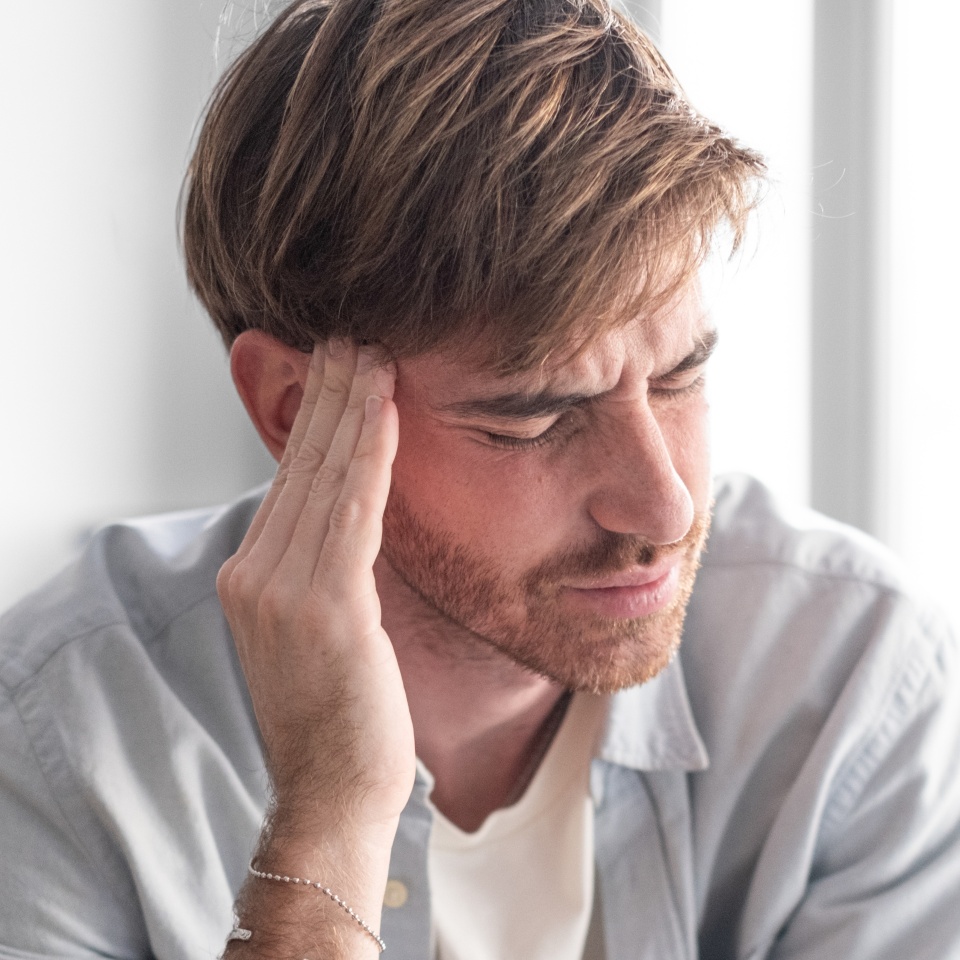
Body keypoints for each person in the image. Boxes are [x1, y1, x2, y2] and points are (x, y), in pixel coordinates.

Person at [2, 0, 959, 957]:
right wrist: (329, 817)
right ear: (295, 410)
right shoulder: (56, 737)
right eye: (536, 416)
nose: (665, 505)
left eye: (679, 377)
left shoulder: (849, 681)